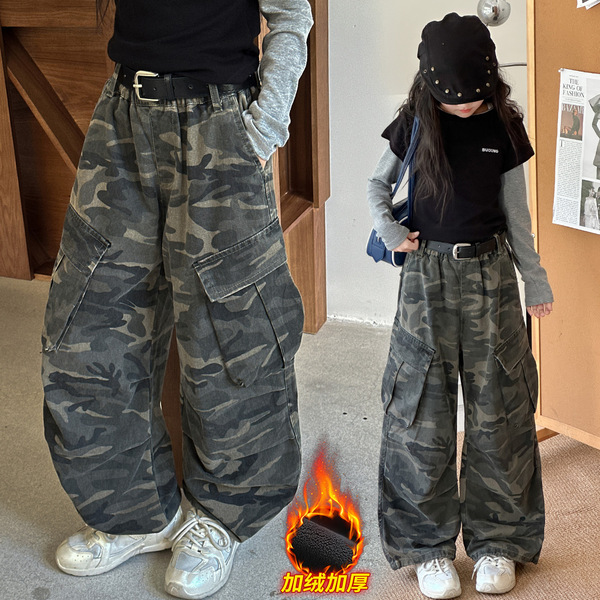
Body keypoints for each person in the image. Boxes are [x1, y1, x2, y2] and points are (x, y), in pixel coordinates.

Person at [41, 1, 312, 598]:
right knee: (87, 325)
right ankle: (133, 514)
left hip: (220, 125)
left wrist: (263, 128)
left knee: (233, 336)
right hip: (122, 117)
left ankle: (221, 517)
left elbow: (292, 13)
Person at [367, 13, 553, 599]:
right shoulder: (414, 122)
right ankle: (428, 549)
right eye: (454, 99)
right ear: (430, 84)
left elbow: (518, 216)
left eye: (475, 96)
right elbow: (376, 186)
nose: (465, 107)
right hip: (425, 279)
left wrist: (536, 281)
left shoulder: (505, 125)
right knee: (419, 412)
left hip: (492, 275)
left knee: (501, 409)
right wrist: (390, 233)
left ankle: (498, 541)